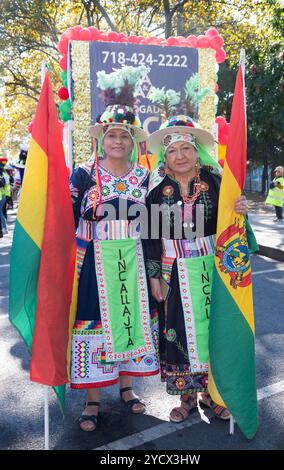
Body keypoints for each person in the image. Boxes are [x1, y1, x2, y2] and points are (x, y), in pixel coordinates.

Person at [144, 85, 249, 423]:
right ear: (166, 156)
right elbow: (151, 237)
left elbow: (233, 226)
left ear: (196, 151)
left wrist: (241, 209)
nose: (180, 156)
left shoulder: (218, 183)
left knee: (214, 330)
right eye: (173, 150)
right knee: (177, 332)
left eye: (186, 148)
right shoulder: (158, 194)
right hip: (174, 272)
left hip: (213, 268)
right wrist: (155, 277)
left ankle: (213, 395)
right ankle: (186, 397)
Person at [69, 65, 159, 432]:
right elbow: (64, 217)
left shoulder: (145, 175)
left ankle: (127, 388)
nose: (118, 142)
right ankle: (93, 399)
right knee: (95, 322)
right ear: (101, 139)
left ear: (132, 140)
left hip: (135, 260)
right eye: (112, 135)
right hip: (94, 261)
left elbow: (159, 223)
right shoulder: (84, 173)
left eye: (124, 135)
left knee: (131, 318)